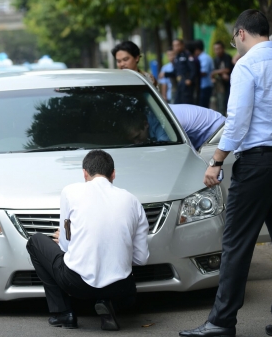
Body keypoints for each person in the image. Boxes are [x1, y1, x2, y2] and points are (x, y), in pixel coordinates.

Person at [180, 9, 272, 337]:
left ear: (240, 34)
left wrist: (216, 161)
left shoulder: (247, 65)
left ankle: (221, 322)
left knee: (236, 241)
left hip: (258, 163)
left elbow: (236, 121)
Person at [26, 149, 149, 331]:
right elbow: (141, 258)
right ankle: (107, 302)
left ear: (84, 173)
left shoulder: (70, 192)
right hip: (123, 289)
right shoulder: (132, 200)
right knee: (113, 280)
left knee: (35, 242)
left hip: (78, 285)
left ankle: (63, 312)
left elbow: (66, 247)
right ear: (113, 174)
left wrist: (69, 238)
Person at [165, 39, 197, 104]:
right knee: (177, 103)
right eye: (174, 45)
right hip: (179, 84)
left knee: (187, 104)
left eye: (178, 45)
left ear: (182, 45)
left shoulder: (187, 55)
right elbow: (175, 72)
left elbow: (193, 69)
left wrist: (190, 79)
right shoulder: (176, 57)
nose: (176, 47)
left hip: (187, 85)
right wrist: (165, 74)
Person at [211, 41, 233, 115]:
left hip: (229, 84)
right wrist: (219, 73)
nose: (217, 51)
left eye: (218, 48)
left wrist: (217, 72)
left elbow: (227, 69)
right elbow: (214, 73)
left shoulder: (227, 57)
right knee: (220, 102)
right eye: (215, 49)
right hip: (220, 85)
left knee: (228, 102)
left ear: (223, 49)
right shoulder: (215, 59)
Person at [192, 40, 214, 108]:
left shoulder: (204, 58)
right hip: (201, 86)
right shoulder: (199, 57)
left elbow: (204, 72)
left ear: (197, 49)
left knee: (203, 106)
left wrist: (192, 73)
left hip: (205, 86)